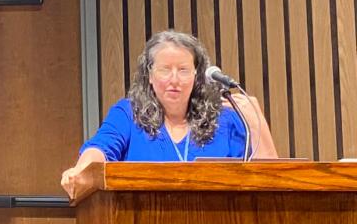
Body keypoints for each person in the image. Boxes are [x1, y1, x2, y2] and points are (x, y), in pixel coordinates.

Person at [60, 30, 278, 199]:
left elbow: (272, 180)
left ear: (196, 76)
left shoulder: (226, 118)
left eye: (183, 70)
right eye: (165, 70)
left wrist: (256, 120)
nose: (174, 80)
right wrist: (80, 172)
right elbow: (100, 149)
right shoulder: (128, 113)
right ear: (150, 75)